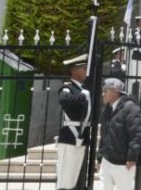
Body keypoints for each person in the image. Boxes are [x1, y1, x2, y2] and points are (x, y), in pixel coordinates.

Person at [98, 78, 141, 190]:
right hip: (107, 161)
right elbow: (104, 135)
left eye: (105, 90)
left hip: (124, 164)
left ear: (115, 91)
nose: (102, 93)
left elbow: (137, 135)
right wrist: (100, 158)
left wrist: (131, 158)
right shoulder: (107, 109)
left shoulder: (131, 108)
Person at [56, 54, 91, 190]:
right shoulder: (68, 88)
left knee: (73, 178)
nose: (85, 71)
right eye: (83, 68)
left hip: (81, 136)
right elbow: (63, 100)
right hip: (70, 137)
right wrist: (82, 96)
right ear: (74, 70)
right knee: (65, 178)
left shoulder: (82, 89)